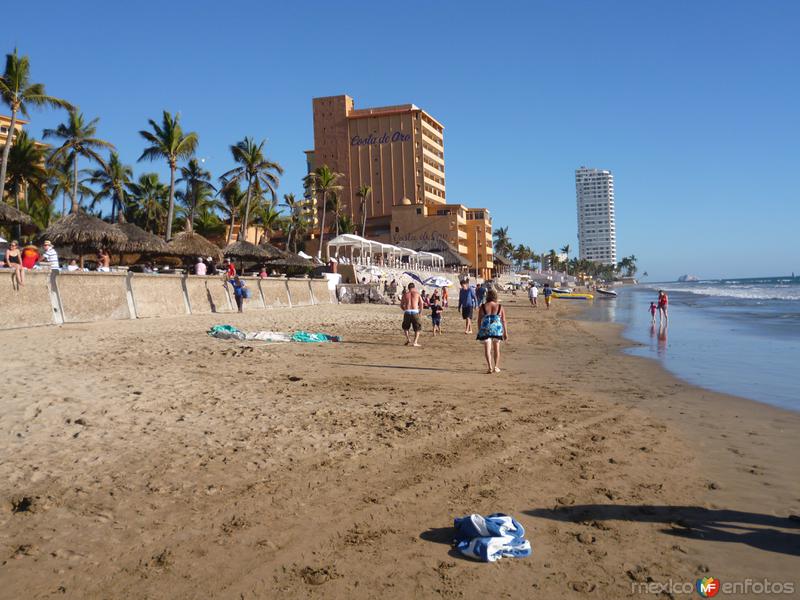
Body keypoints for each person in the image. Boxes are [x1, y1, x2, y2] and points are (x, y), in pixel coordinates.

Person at [476, 289, 508, 374]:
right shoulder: (500, 307)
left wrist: (479, 330)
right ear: (495, 297)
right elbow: (504, 320)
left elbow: (479, 320)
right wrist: (505, 332)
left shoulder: (483, 306)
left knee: (487, 349)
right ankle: (496, 367)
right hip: (497, 330)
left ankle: (490, 367)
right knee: (496, 349)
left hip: (485, 329)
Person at [401, 282, 423, 347]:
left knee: (405, 327)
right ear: (414, 287)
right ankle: (415, 342)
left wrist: (405, 310)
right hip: (415, 312)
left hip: (407, 312)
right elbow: (421, 303)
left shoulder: (405, 294)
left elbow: (401, 305)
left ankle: (408, 339)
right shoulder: (417, 294)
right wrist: (420, 312)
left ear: (408, 288)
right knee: (417, 328)